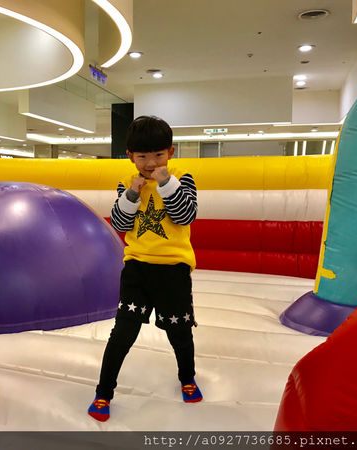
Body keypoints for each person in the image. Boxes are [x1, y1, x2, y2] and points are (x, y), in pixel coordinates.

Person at [88, 115, 202, 422]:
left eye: (158, 154)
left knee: (179, 331)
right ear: (130, 156)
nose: (151, 163)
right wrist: (132, 194)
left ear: (171, 152)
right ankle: (103, 392)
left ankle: (187, 377)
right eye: (142, 156)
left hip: (173, 269)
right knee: (122, 333)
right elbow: (121, 224)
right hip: (137, 268)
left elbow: (185, 216)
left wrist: (165, 183)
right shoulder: (128, 183)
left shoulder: (182, 178)